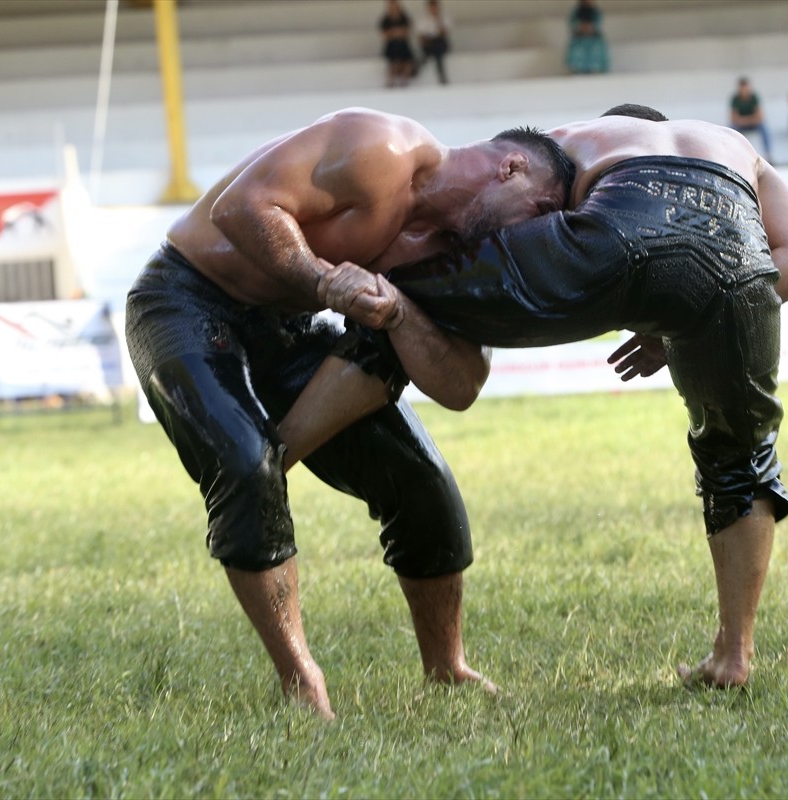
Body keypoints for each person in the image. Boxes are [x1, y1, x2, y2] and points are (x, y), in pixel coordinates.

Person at [278, 108, 788, 688]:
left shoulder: (570, 141)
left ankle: (272, 453)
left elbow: (487, 204)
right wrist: (688, 314)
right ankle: (733, 656)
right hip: (738, 254)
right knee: (741, 458)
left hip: (617, 224)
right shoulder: (737, 145)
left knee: (398, 302)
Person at [123, 107, 574, 719]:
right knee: (244, 463)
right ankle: (299, 677)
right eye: (541, 213)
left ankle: (448, 667)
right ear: (511, 168)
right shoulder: (381, 148)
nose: (534, 234)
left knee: (422, 481)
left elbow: (462, 382)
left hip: (286, 326)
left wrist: (400, 314)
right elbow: (242, 207)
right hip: (183, 297)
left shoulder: (460, 255)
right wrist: (320, 278)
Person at [729, 76, 774, 165]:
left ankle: (768, 154)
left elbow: (760, 117)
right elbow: (733, 118)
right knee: (732, 129)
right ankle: (732, 155)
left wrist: (744, 120)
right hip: (742, 125)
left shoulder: (754, 97)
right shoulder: (735, 99)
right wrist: (750, 119)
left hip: (752, 124)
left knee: (764, 127)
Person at [379, 0, 418, 88]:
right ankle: (392, 79)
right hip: (391, 47)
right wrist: (397, 32)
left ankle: (403, 78)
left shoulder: (404, 17)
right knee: (396, 56)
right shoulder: (385, 19)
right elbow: (385, 35)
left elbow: (407, 32)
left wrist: (394, 32)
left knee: (407, 59)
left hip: (403, 46)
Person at [565, 0, 610, 75]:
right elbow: (572, 23)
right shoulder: (576, 12)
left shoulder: (596, 12)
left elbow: (598, 23)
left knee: (598, 46)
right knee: (576, 48)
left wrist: (591, 28)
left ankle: (595, 68)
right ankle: (577, 69)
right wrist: (580, 27)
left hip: (593, 37)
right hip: (579, 37)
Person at [415, 0, 451, 85]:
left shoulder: (444, 17)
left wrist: (437, 20)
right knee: (434, 49)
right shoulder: (423, 19)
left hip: (440, 43)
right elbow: (421, 37)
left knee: (437, 48)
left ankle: (419, 66)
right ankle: (441, 77)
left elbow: (444, 33)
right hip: (429, 44)